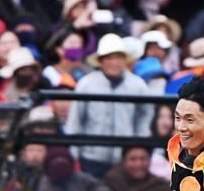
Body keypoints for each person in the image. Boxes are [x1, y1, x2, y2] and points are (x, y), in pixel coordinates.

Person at [65, 34, 153, 178]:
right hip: (91, 156)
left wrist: (138, 138)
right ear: (101, 61)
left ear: (125, 60)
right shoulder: (86, 84)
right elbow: (76, 119)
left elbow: (146, 112)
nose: (114, 62)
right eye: (109, 58)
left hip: (124, 158)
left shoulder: (137, 85)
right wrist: (74, 153)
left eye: (118, 57)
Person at [37, 146, 116, 191]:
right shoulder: (46, 184)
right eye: (55, 161)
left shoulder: (84, 179)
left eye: (64, 161)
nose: (60, 164)